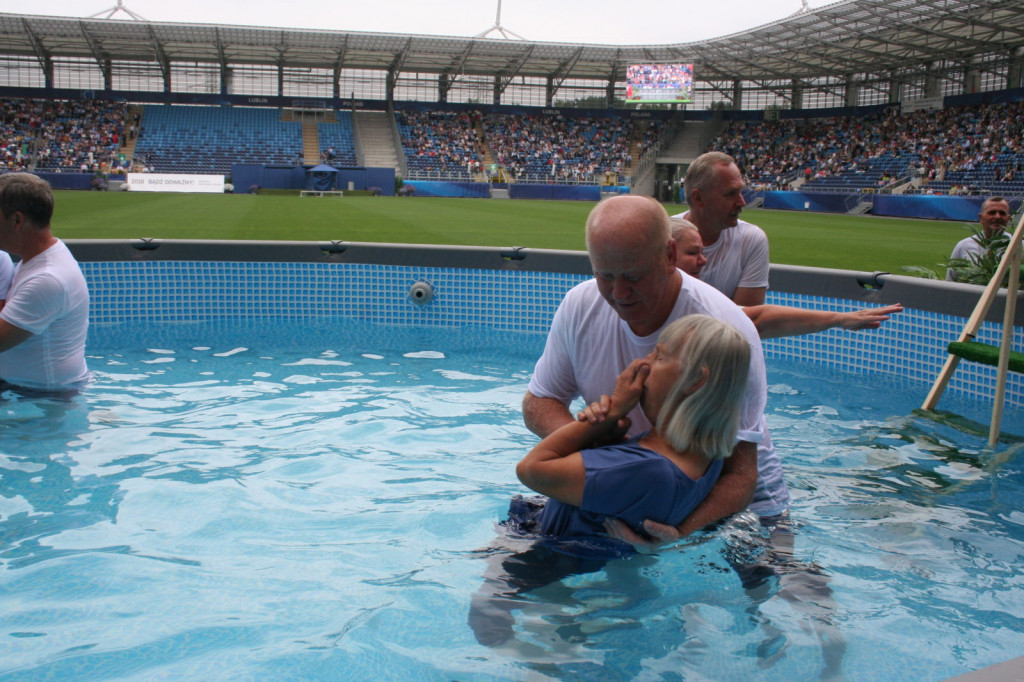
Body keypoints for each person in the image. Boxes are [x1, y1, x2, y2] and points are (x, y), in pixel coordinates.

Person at [523, 194, 783, 540]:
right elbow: (540, 402)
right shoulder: (580, 305)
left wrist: (674, 536)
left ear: (670, 256)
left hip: (735, 505)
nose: (619, 293)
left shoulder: (721, 332)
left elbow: (740, 473)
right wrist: (597, 450)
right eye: (604, 275)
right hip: (629, 482)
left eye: (633, 275)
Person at [516, 314, 750, 541]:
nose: (643, 362)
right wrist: (604, 442)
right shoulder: (708, 458)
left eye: (659, 356)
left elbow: (530, 470)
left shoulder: (645, 468)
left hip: (537, 562)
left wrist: (612, 411)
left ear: (695, 380)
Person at [672, 217, 904, 338]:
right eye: (693, 253)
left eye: (703, 252)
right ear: (664, 254)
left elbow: (756, 319)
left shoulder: (694, 296)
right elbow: (756, 321)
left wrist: (838, 318)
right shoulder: (687, 297)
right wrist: (838, 318)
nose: (704, 261)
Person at [0, 172, 90, 392]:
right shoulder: (37, 260)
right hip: (33, 392)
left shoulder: (48, 279)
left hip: (44, 401)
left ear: (16, 220)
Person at [676, 151, 769, 306]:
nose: (742, 202)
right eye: (730, 194)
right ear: (698, 198)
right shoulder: (662, 236)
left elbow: (746, 320)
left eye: (740, 191)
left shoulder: (751, 240)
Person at [946, 196, 1012, 281]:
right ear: (981, 218)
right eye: (992, 212)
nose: (997, 216)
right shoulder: (963, 246)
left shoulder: (1019, 247)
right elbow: (951, 282)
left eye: (1002, 213)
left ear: (1008, 218)